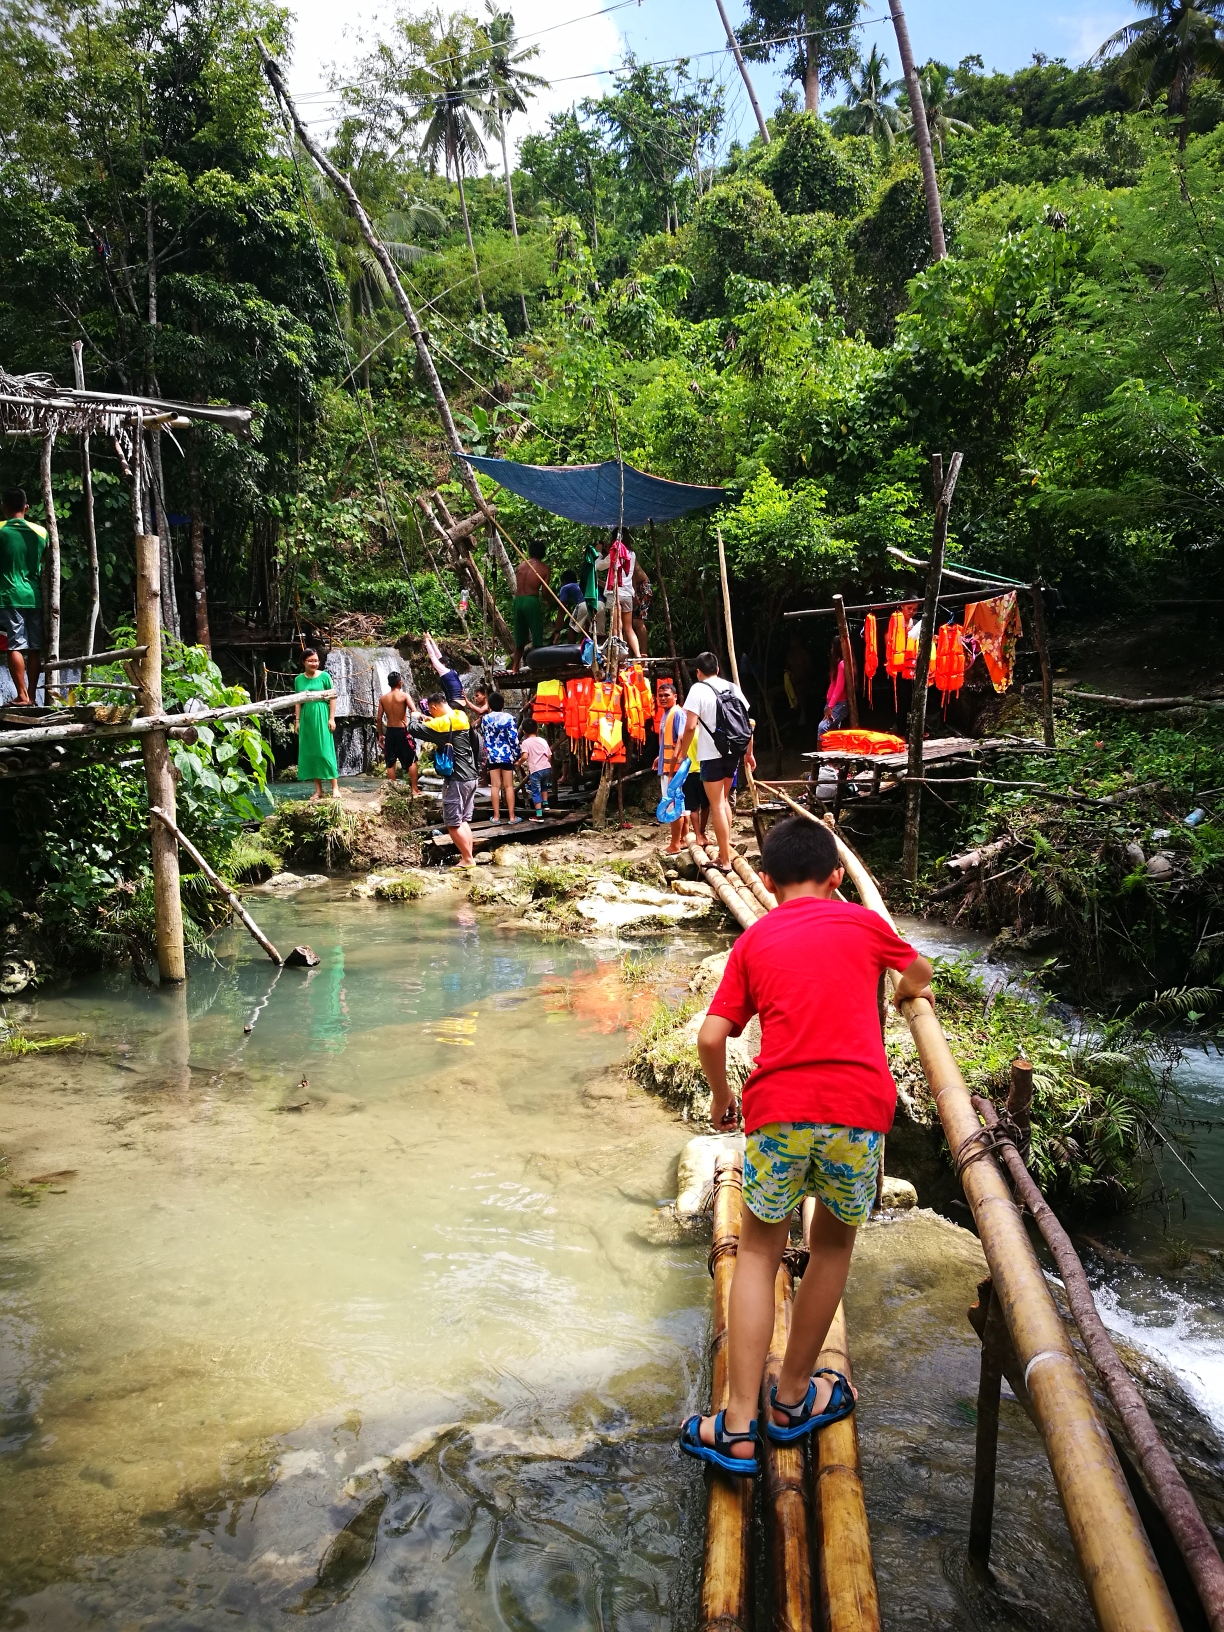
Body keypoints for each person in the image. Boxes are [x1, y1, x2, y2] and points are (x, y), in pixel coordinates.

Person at [679, 816, 934, 1476]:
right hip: (858, 1113)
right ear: (837, 878)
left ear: (764, 882)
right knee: (831, 1249)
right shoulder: (863, 923)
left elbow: (712, 1037)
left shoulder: (756, 939)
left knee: (760, 1253)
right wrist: (906, 991)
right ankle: (793, 1397)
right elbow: (921, 969)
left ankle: (736, 1426)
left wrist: (719, 1097)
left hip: (779, 1113)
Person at [676, 651, 754, 872]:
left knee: (717, 804)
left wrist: (684, 754)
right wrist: (749, 753)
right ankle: (724, 851)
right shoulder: (731, 687)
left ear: (698, 672)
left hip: (711, 755)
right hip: (734, 752)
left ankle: (725, 861)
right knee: (725, 801)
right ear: (718, 669)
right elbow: (748, 723)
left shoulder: (697, 690)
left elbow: (690, 726)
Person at [406, 688, 480, 865]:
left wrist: (414, 716)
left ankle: (468, 860)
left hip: (457, 779)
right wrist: (432, 719)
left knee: (453, 823)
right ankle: (467, 857)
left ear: (433, 707)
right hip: (471, 777)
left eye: (430, 711)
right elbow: (443, 723)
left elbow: (414, 729)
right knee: (463, 820)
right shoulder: (460, 716)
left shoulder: (441, 726)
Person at [0, 487, 47, 706]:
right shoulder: (41, 532)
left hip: (10, 595)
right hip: (34, 595)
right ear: (26, 507)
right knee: (34, 647)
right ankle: (31, 694)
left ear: (4, 507)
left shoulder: (1, 530)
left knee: (15, 645)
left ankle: (22, 696)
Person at [293, 648, 339, 800]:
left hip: (322, 714)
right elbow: (298, 701)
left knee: (325, 752)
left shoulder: (325, 676)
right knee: (311, 753)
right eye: (310, 661)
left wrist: (331, 718)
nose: (314, 663)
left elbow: (333, 697)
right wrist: (297, 721)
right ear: (303, 662)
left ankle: (335, 788)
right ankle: (318, 790)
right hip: (307, 717)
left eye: (316, 660)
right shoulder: (298, 679)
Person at [655, 679, 689, 855]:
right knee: (679, 806)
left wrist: (672, 767)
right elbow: (670, 741)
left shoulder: (677, 714)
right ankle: (683, 840)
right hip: (668, 765)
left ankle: (675, 844)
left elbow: (682, 740)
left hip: (674, 769)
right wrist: (659, 758)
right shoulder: (666, 714)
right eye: (660, 695)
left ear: (675, 697)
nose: (662, 698)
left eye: (666, 695)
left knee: (673, 806)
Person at [595, 533, 640, 657]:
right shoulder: (632, 554)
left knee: (616, 628)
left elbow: (598, 566)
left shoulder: (614, 553)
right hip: (627, 594)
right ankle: (638, 655)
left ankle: (619, 657)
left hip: (615, 594)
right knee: (628, 628)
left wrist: (599, 552)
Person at [481, 690, 521, 824]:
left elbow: (485, 737)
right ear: (503, 704)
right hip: (506, 756)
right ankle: (512, 817)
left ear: (489, 706)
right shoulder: (509, 718)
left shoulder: (485, 719)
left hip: (492, 757)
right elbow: (514, 739)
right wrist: (516, 755)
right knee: (509, 786)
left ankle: (496, 817)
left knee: (495, 786)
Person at [377, 670, 418, 794]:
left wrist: (380, 734)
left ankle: (393, 791)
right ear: (400, 683)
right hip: (402, 730)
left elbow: (378, 718)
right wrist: (413, 725)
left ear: (389, 683)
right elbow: (414, 711)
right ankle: (414, 789)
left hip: (390, 732)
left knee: (390, 762)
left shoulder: (383, 698)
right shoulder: (405, 696)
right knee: (411, 760)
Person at [511, 545, 550, 671]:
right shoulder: (544, 569)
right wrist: (550, 602)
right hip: (531, 600)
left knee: (520, 637)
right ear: (543, 553)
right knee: (537, 635)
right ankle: (537, 666)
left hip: (518, 600)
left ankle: (515, 667)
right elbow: (544, 592)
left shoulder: (521, 565)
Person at [518, 719, 553, 819]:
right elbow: (549, 755)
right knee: (544, 786)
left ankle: (539, 815)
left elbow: (525, 756)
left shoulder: (526, 742)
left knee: (536, 791)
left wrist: (518, 763)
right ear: (537, 729)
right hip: (546, 768)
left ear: (524, 731)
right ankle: (546, 804)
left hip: (536, 770)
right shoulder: (543, 740)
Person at [819, 638, 848, 744]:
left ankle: (821, 757)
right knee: (833, 732)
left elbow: (839, 687)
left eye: (832, 647)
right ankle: (832, 759)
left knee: (822, 728)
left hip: (838, 704)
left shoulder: (841, 664)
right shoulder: (837, 664)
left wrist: (830, 707)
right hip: (832, 703)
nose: (831, 649)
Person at [552, 570, 588, 642]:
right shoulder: (579, 586)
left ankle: (571, 650)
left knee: (572, 628)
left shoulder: (565, 587)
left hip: (583, 604)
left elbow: (561, 610)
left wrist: (557, 631)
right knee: (589, 628)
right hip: (595, 604)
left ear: (564, 582)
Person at [631, 558, 652, 657]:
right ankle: (629, 655)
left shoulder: (623, 552)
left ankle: (644, 653)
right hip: (632, 588)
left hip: (642, 586)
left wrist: (635, 595)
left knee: (639, 622)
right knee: (629, 624)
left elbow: (632, 575)